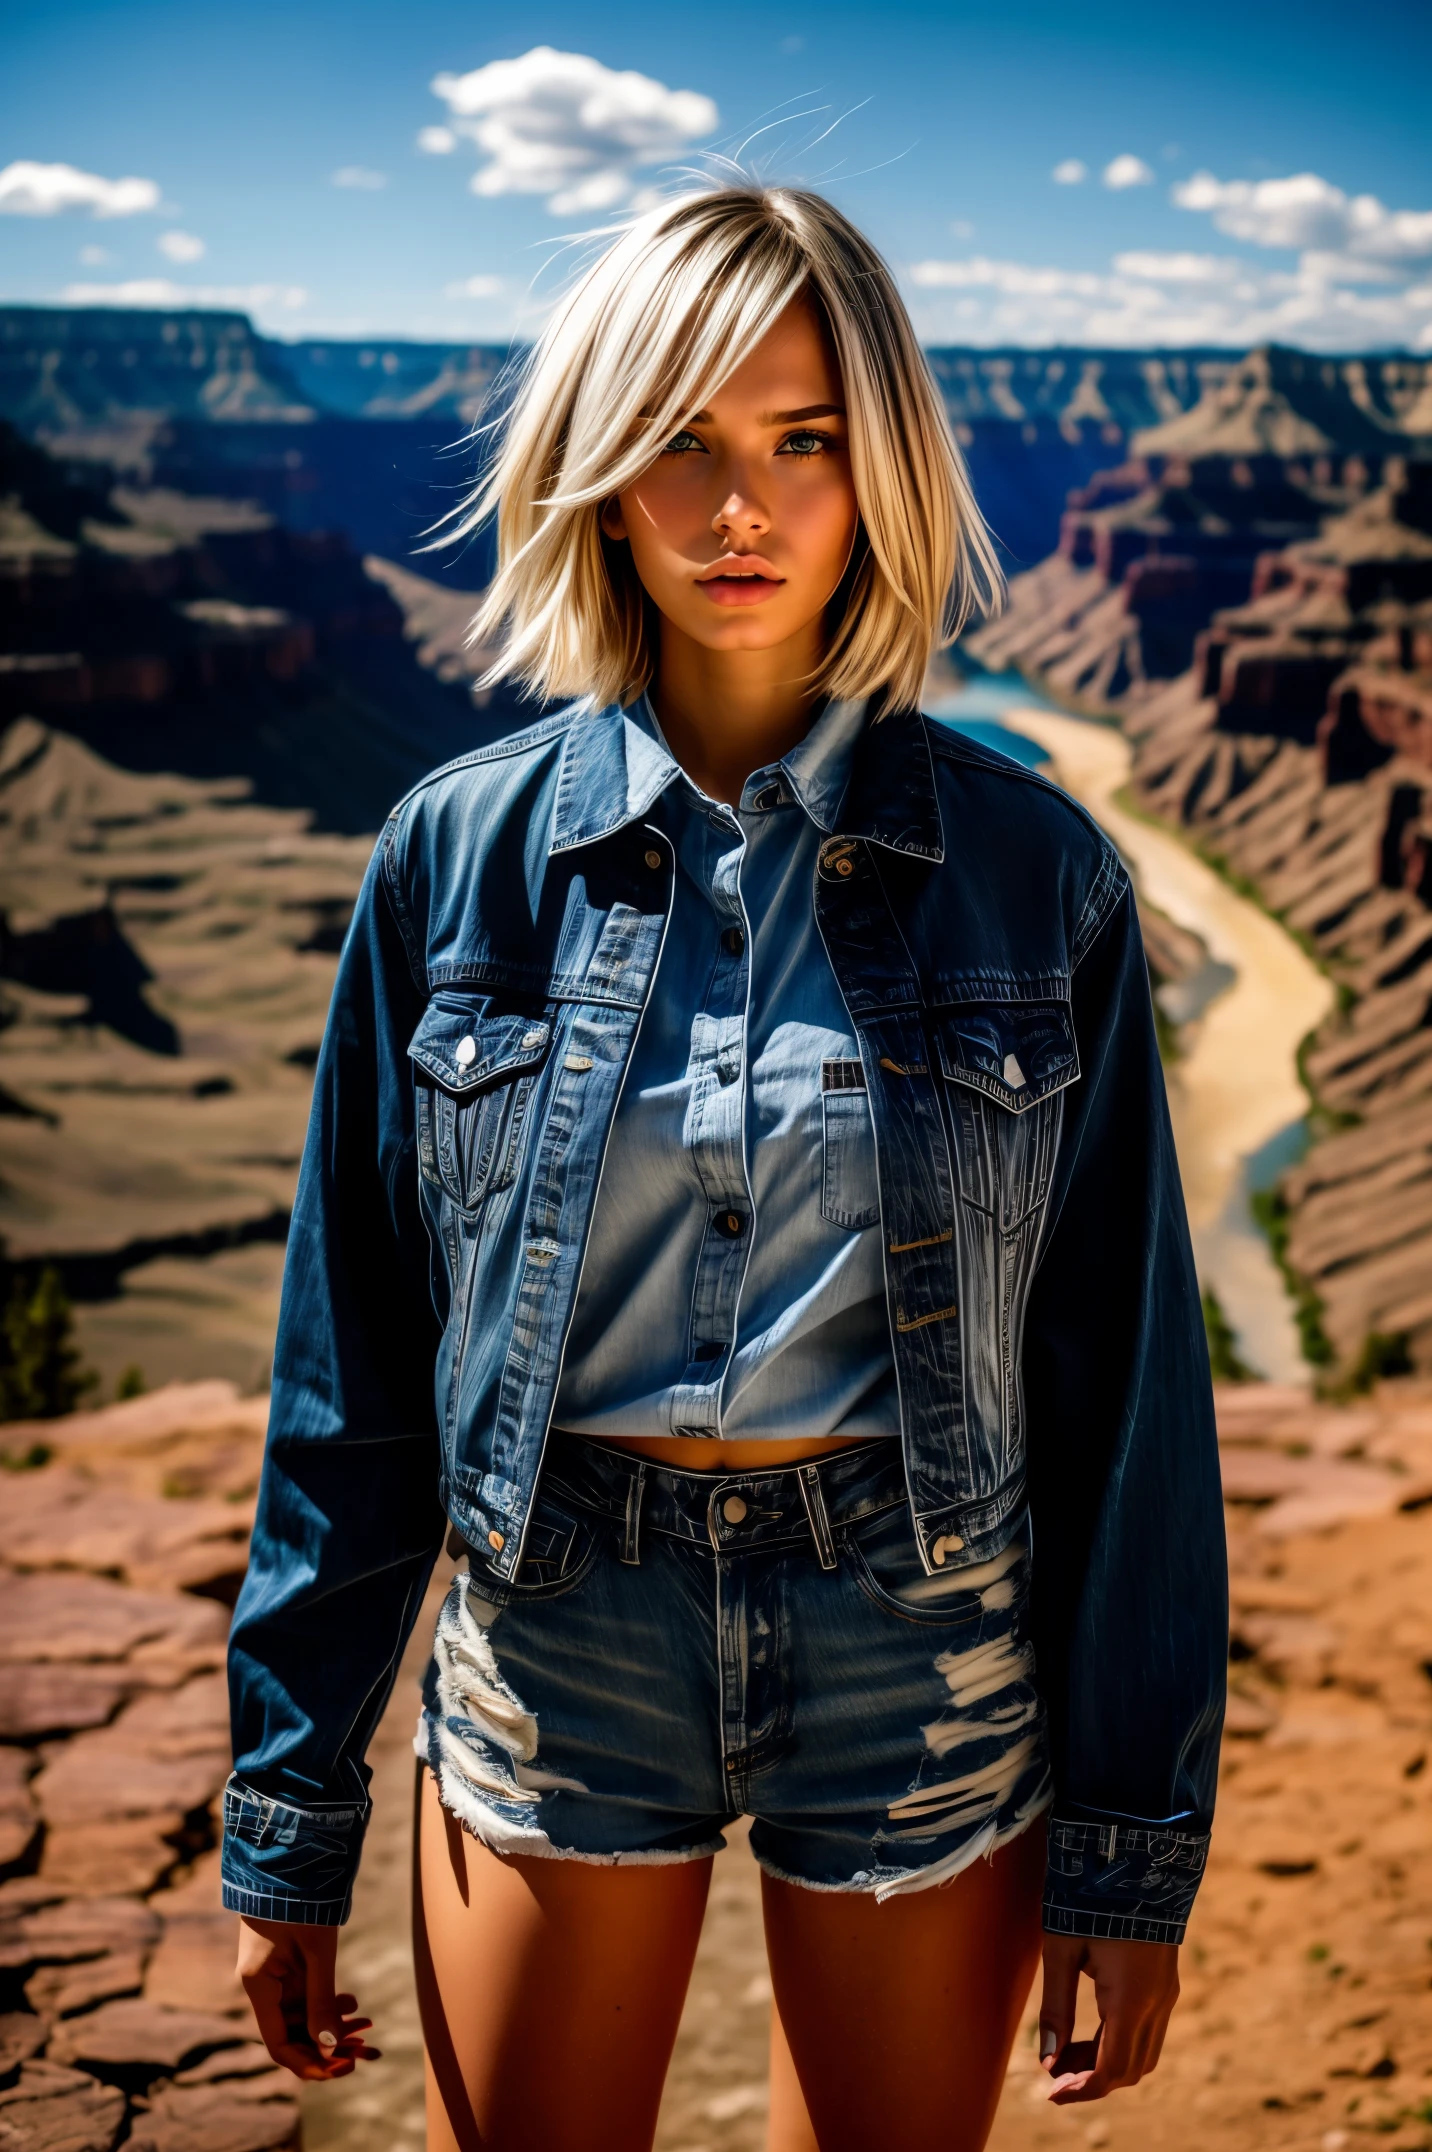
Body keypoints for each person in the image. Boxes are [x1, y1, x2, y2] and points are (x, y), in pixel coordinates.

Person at [224, 183, 1227, 2152]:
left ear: (882, 478)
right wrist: (286, 1809)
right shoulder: (452, 859)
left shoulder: (1041, 879)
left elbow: (1125, 1400)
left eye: (801, 441)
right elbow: (348, 1371)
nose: (740, 507)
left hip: (915, 1622)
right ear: (599, 474)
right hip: (556, 1622)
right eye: (681, 440)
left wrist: (1129, 1848)